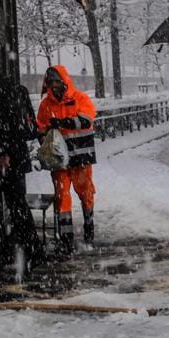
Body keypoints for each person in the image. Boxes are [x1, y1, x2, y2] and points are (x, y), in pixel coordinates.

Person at [0, 53, 45, 273]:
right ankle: (32, 250)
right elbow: (29, 126)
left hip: (1, 159)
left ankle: (4, 250)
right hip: (17, 155)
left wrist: (1, 152)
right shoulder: (18, 89)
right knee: (18, 205)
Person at [35, 65, 97, 257]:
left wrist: (63, 123)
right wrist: (46, 140)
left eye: (56, 82)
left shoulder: (80, 98)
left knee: (85, 192)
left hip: (81, 157)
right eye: (51, 83)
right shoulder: (46, 105)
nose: (54, 86)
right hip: (59, 161)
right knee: (62, 197)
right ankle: (66, 239)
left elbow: (87, 120)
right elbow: (40, 128)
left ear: (64, 81)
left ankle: (89, 224)